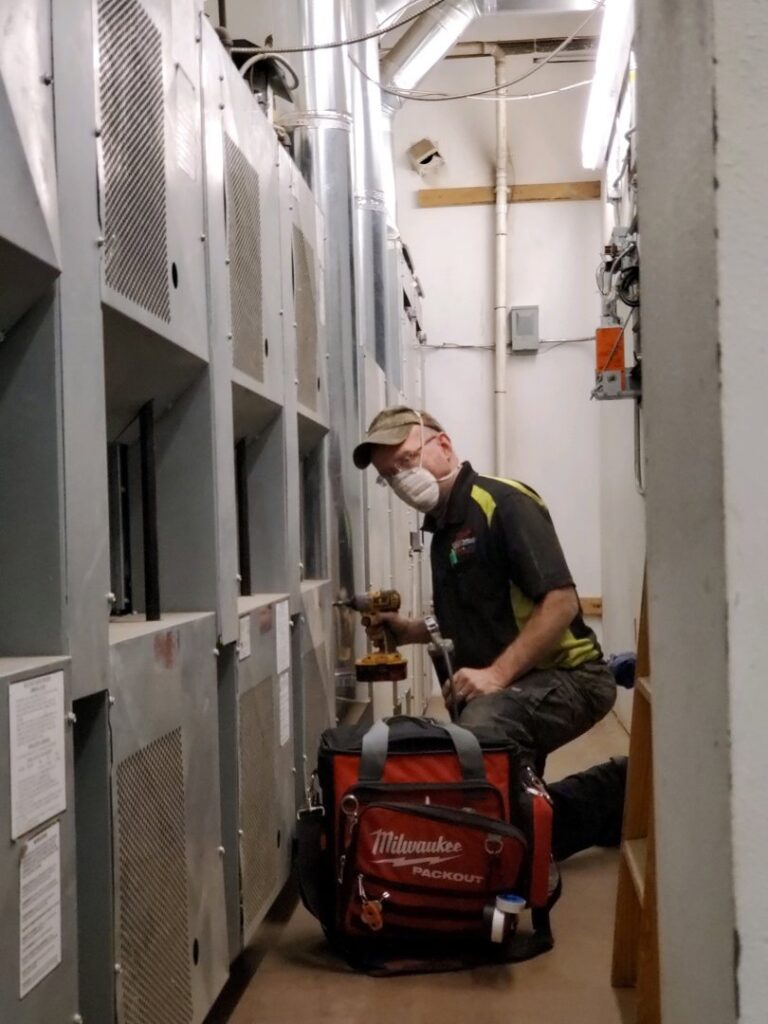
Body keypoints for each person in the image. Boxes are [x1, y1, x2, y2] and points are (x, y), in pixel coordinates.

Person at [353, 405, 626, 860]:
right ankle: (598, 805)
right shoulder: (444, 532)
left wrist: (496, 676)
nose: (402, 479)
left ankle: (589, 809)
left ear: (443, 445)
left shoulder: (503, 502)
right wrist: (409, 631)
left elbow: (561, 603)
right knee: (502, 793)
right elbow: (473, 614)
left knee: (482, 740)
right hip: (520, 685)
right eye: (390, 475)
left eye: (406, 460)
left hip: (573, 677)